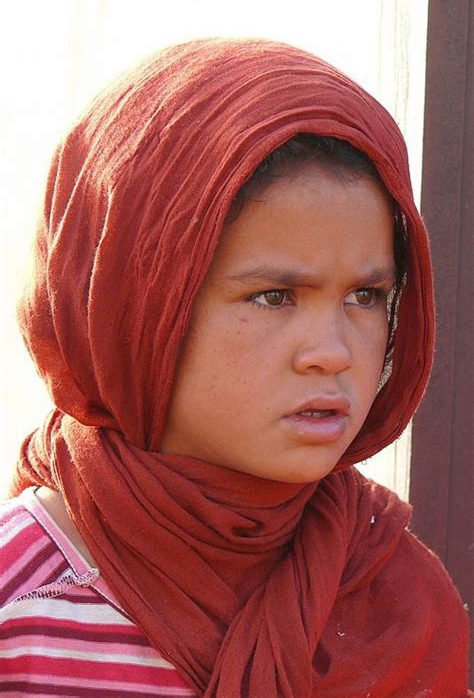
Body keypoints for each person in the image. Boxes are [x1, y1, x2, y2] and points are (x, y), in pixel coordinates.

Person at [0, 38, 470, 696]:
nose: (333, 352)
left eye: (366, 296)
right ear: (132, 308)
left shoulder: (390, 597)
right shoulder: (22, 607)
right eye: (274, 296)